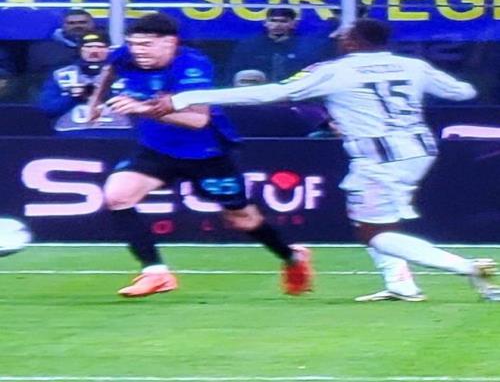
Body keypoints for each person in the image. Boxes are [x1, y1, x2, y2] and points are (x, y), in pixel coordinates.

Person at [145, 18, 500, 302]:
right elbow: (462, 92)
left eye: (344, 36)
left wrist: (186, 97)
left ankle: (469, 268)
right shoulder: (413, 66)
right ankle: (401, 286)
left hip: (379, 157)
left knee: (373, 233)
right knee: (378, 219)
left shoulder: (334, 71)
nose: (339, 39)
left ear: (354, 42)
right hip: (419, 149)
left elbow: (273, 93)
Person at [90, 13, 313, 298]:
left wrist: (142, 109)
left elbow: (197, 120)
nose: (138, 51)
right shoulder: (125, 55)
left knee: (242, 218)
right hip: (157, 148)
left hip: (205, 153)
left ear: (170, 42)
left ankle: (292, 257)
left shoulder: (192, 66)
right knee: (117, 196)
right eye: (133, 44)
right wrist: (95, 102)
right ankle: (156, 273)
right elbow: (109, 69)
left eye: (146, 45)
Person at [37, 31, 131, 137]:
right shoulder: (61, 75)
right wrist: (72, 97)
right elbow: (47, 108)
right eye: (88, 47)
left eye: (100, 47)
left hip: (119, 132)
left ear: (109, 49)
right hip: (71, 133)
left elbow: (141, 105)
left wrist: (105, 93)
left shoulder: (127, 74)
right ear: (80, 50)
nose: (94, 51)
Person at [226, 7, 331, 85]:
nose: (277, 25)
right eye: (273, 21)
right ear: (265, 23)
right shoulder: (249, 46)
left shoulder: (306, 47)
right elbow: (234, 72)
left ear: (293, 24)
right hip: (258, 93)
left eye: (283, 21)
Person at [25, 9, 97, 102]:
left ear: (92, 24)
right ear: (63, 25)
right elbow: (35, 77)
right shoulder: (43, 48)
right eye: (71, 23)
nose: (77, 26)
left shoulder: (107, 44)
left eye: (82, 22)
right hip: (57, 95)